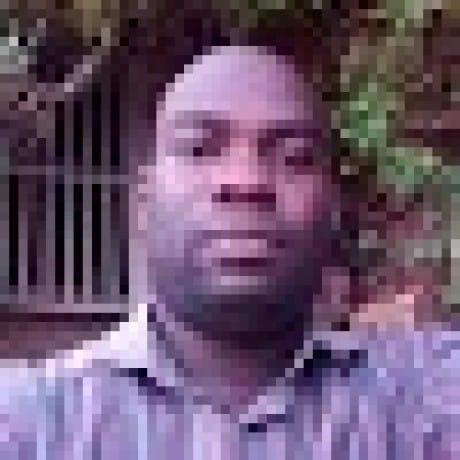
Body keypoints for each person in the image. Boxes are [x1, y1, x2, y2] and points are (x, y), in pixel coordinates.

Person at [1, 42, 459, 460]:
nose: (246, 182)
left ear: (333, 211)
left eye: (294, 156)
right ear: (143, 203)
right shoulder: (33, 423)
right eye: (199, 149)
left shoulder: (423, 401)